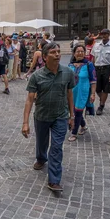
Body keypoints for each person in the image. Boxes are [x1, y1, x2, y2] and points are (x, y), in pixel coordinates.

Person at [22, 43, 74, 193]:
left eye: (58, 51)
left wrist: (72, 116)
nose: (57, 54)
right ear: (44, 57)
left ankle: (54, 180)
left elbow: (70, 94)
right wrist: (25, 122)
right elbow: (29, 99)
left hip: (61, 116)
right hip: (42, 116)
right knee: (42, 142)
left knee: (57, 147)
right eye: (53, 52)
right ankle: (40, 158)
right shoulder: (37, 76)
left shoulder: (68, 73)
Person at [67, 45, 97, 142]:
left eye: (82, 51)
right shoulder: (70, 65)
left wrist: (92, 94)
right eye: (77, 51)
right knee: (74, 110)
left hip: (83, 92)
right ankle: (83, 126)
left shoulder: (89, 65)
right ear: (74, 53)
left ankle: (74, 133)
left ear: (85, 53)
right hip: (71, 92)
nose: (80, 53)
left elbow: (93, 80)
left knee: (78, 110)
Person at [92, 29, 110, 115]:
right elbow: (93, 58)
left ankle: (101, 105)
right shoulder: (96, 45)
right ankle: (102, 99)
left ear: (109, 34)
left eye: (105, 34)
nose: (103, 36)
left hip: (107, 68)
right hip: (97, 68)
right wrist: (92, 70)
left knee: (106, 88)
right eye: (102, 34)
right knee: (97, 88)